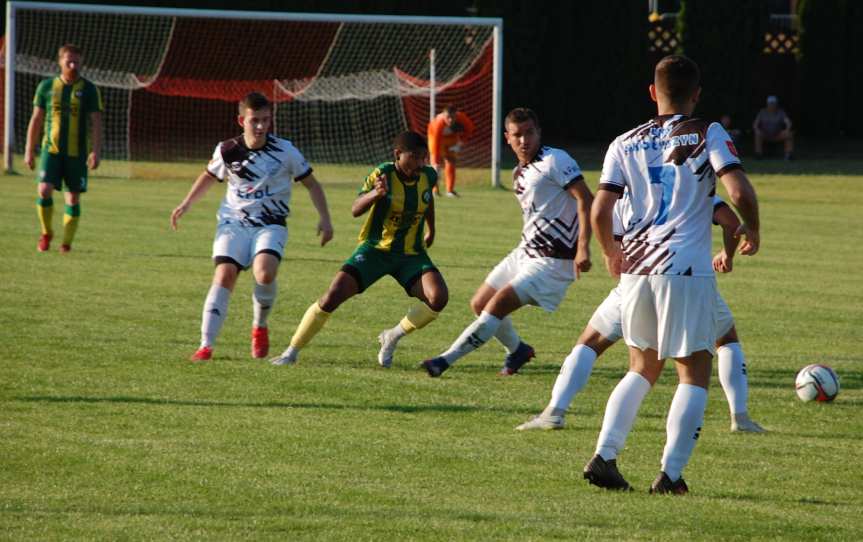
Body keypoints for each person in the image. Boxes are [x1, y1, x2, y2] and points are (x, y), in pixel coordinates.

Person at [584, 55, 760, 495]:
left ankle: (605, 456)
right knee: (693, 372)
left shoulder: (623, 141)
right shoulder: (707, 131)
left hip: (637, 269)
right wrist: (752, 227)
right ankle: (671, 475)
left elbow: (601, 209)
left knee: (641, 367)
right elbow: (737, 190)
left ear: (652, 92)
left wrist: (610, 253)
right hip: (684, 269)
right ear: (696, 95)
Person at [516, 195, 765, 433]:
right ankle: (740, 417)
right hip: (689, 284)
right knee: (721, 343)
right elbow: (731, 222)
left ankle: (555, 413)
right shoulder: (693, 186)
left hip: (636, 283)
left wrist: (609, 254)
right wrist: (727, 255)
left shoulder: (626, 194)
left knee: (596, 346)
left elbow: (609, 234)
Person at [420, 107, 593, 377]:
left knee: (497, 305)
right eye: (517, 135)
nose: (524, 140)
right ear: (507, 138)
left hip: (553, 259)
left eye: (530, 133)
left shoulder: (555, 160)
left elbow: (586, 199)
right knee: (479, 303)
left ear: (539, 133)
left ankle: (444, 360)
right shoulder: (517, 173)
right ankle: (518, 351)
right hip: (525, 252)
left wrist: (583, 247)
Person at [171, 92, 333, 362]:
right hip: (233, 223)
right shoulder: (227, 149)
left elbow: (312, 184)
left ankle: (259, 326)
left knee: (265, 272)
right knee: (224, 275)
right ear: (241, 120)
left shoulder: (286, 151)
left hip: (270, 224)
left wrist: (325, 218)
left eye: (265, 120)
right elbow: (209, 177)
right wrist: (186, 204)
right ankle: (205, 345)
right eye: (254, 120)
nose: (260, 126)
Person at [269, 131, 448, 368]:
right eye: (414, 157)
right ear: (398, 154)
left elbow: (427, 200)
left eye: (423, 157)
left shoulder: (428, 175)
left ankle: (392, 336)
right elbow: (355, 209)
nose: (420, 163)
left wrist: (431, 229)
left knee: (438, 297)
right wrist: (376, 193)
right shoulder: (382, 174)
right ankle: (291, 352)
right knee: (332, 295)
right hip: (375, 250)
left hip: (411, 254)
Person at [24, 44, 103, 253]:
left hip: (77, 155)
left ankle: (66, 244)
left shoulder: (88, 89)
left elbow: (96, 121)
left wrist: (96, 151)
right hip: (51, 151)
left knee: (73, 197)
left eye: (76, 61)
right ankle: (46, 232)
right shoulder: (47, 87)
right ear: (59, 61)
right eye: (68, 60)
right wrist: (28, 150)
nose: (73, 64)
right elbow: (36, 119)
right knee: (44, 189)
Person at [427, 105, 475, 197]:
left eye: (452, 117)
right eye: (447, 117)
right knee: (435, 166)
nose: (450, 120)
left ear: (456, 116)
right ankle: (434, 190)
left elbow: (470, 129)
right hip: (435, 138)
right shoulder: (438, 124)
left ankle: (450, 190)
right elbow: (436, 144)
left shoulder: (462, 118)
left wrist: (460, 143)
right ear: (444, 116)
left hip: (452, 138)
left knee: (451, 161)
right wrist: (436, 162)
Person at [753, 95, 793, 160]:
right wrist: (756, 129)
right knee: (758, 134)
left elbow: (788, 122)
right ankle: (758, 154)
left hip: (777, 134)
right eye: (770, 103)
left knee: (789, 134)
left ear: (776, 104)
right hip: (765, 134)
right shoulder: (762, 112)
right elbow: (755, 124)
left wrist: (787, 129)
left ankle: (788, 155)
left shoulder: (781, 112)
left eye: (773, 103)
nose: (772, 105)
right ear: (767, 104)